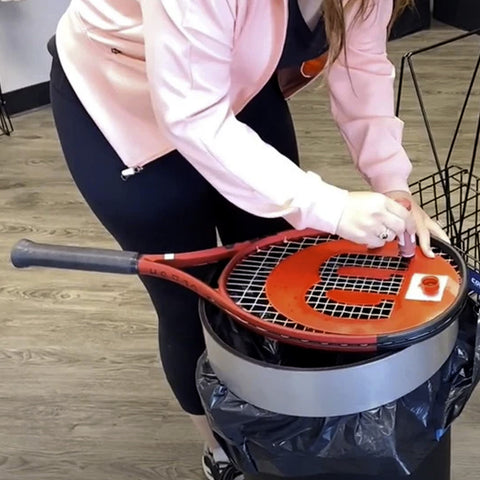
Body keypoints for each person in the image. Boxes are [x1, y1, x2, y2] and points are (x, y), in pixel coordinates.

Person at [47, 1, 449, 479]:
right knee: (186, 300)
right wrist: (331, 206)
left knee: (276, 277)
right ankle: (220, 452)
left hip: (231, 80)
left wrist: (393, 186)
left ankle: (278, 425)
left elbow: (359, 63)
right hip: (120, 92)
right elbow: (193, 116)